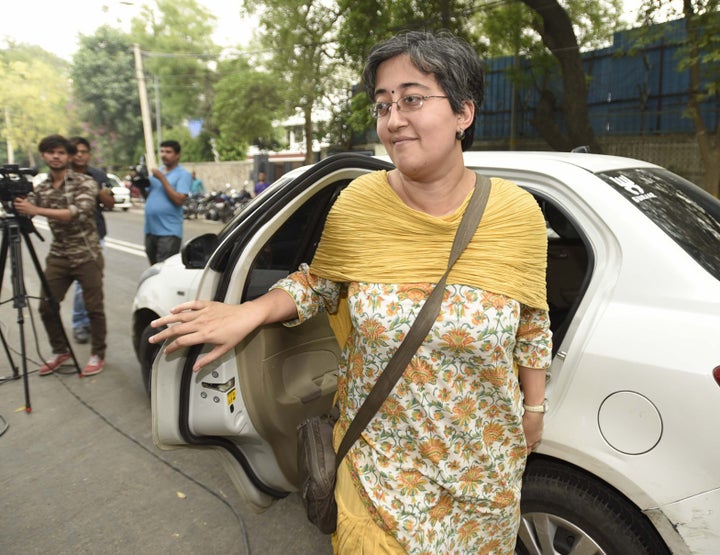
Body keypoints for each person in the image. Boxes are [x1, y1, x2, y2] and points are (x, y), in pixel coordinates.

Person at [149, 30, 551, 554]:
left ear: (463, 114)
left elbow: (531, 323)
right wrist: (248, 312)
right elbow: (320, 283)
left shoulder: (516, 215)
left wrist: (534, 412)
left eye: (412, 99)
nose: (393, 119)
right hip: (380, 465)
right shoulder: (360, 203)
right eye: (383, 105)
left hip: (484, 469)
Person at [14, 134, 107, 376]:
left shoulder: (84, 182)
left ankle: (98, 353)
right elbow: (27, 214)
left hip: (87, 254)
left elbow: (78, 212)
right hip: (59, 255)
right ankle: (60, 350)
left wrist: (35, 209)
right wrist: (18, 205)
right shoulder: (42, 188)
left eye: (61, 152)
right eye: (50, 152)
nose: (56, 156)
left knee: (93, 309)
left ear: (68, 156)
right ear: (44, 156)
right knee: (47, 305)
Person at [68, 136, 114, 344]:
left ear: (89, 154)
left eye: (84, 151)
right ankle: (79, 323)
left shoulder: (97, 175)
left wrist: (97, 189)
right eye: (75, 151)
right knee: (79, 283)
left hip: (96, 236)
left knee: (91, 283)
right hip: (70, 238)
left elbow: (110, 203)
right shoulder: (63, 175)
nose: (80, 155)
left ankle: (86, 322)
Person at [143, 140, 192, 265]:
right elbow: (148, 196)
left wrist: (162, 178)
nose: (164, 155)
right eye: (162, 151)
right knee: (153, 268)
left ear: (177, 155)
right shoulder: (158, 172)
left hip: (168, 232)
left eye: (168, 152)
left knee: (163, 271)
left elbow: (179, 200)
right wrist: (138, 183)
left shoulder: (183, 174)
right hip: (150, 230)